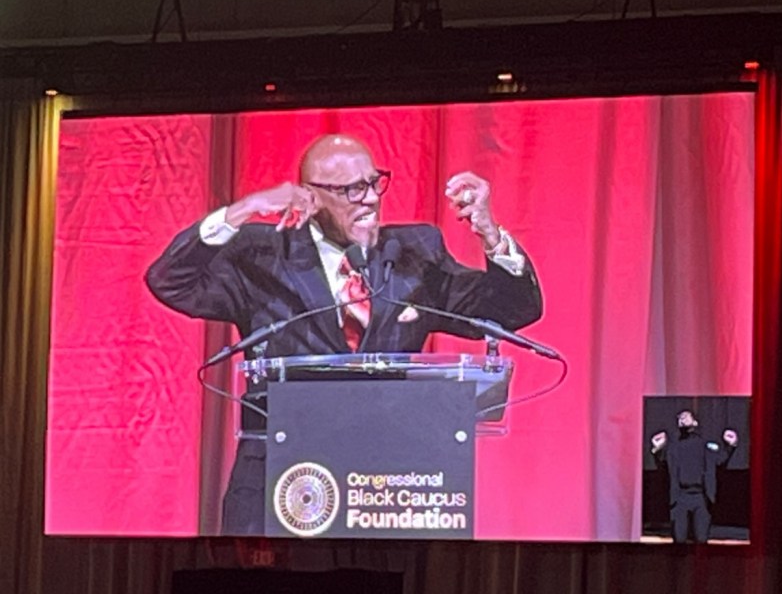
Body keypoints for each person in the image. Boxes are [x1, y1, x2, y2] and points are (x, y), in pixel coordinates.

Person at [145, 134, 544, 534]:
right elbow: (170, 281)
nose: (370, 198)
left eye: (374, 182)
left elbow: (512, 310)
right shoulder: (262, 256)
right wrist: (241, 211)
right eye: (352, 189)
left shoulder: (415, 252)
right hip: (280, 485)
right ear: (311, 196)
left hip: (387, 491)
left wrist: (491, 236)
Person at [650, 409, 738, 543]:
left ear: (695, 422)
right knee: (679, 540)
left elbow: (720, 460)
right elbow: (662, 465)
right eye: (680, 418)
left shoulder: (705, 446)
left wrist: (731, 445)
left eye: (686, 416)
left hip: (701, 498)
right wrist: (657, 449)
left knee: (701, 540)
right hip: (679, 498)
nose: (682, 419)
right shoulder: (673, 448)